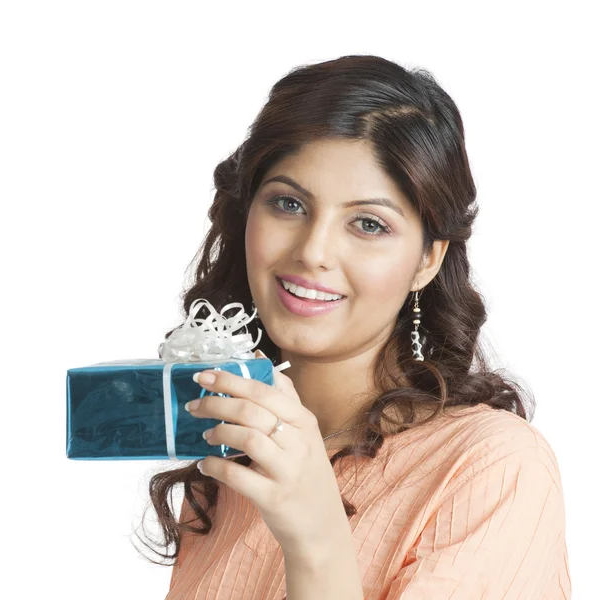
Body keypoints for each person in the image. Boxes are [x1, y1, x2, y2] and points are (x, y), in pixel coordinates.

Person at [135, 55, 571, 599]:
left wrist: (317, 543)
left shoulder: (494, 470)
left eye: (368, 224)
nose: (313, 252)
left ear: (426, 260)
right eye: (288, 203)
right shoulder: (234, 456)